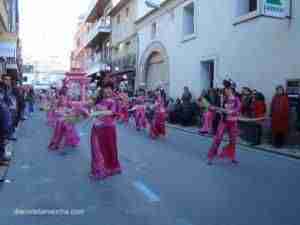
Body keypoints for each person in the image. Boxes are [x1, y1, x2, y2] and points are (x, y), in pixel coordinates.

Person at [90, 83, 121, 180]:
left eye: (109, 89)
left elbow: (111, 112)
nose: (107, 90)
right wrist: (92, 113)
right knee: (96, 149)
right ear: (102, 90)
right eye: (105, 88)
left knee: (107, 149)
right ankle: (99, 169)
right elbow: (92, 111)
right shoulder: (99, 101)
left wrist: (97, 112)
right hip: (96, 128)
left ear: (112, 90)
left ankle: (105, 170)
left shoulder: (114, 101)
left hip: (108, 129)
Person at [207, 80, 241, 165]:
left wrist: (232, 111)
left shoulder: (236, 98)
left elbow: (239, 107)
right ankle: (211, 158)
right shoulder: (222, 98)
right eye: (226, 89)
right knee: (217, 139)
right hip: (224, 121)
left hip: (233, 122)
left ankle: (232, 157)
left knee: (233, 140)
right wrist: (215, 109)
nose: (227, 90)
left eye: (228, 89)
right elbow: (215, 106)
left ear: (232, 90)